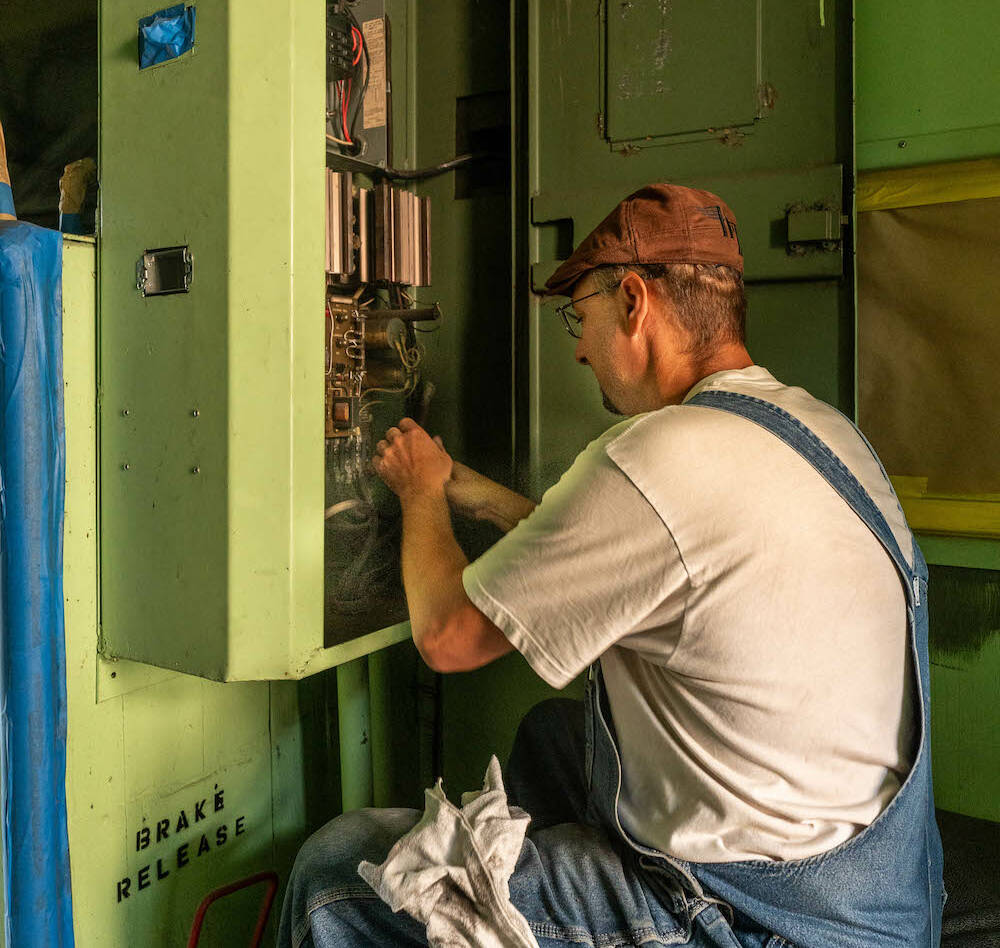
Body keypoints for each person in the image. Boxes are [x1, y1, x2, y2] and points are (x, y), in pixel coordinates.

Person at [279, 184, 943, 947]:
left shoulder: (658, 455)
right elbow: (645, 565)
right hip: (880, 903)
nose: (580, 346)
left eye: (582, 315)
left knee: (336, 873)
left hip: (762, 920)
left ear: (633, 299)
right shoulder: (817, 430)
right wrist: (475, 493)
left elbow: (449, 638)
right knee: (556, 739)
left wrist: (421, 494)